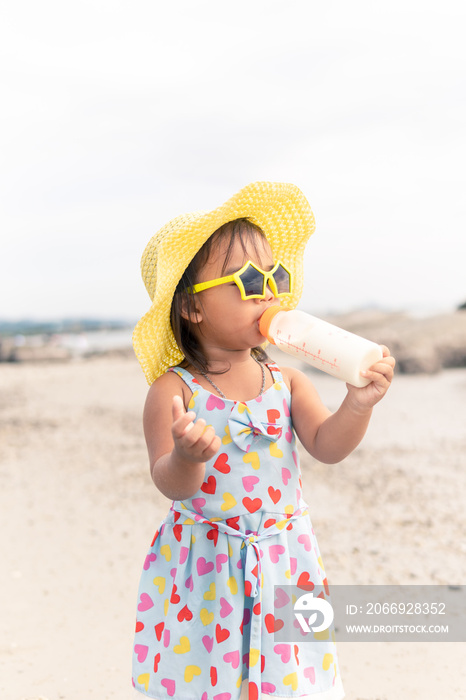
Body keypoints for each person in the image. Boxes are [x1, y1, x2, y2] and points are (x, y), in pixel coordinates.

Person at [131, 181, 395, 700]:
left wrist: (357, 405)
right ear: (191, 308)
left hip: (285, 558)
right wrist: (187, 457)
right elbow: (171, 483)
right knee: (207, 675)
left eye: (276, 276)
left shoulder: (287, 380)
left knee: (293, 678)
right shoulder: (173, 391)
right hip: (206, 564)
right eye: (251, 280)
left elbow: (327, 445)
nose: (269, 292)